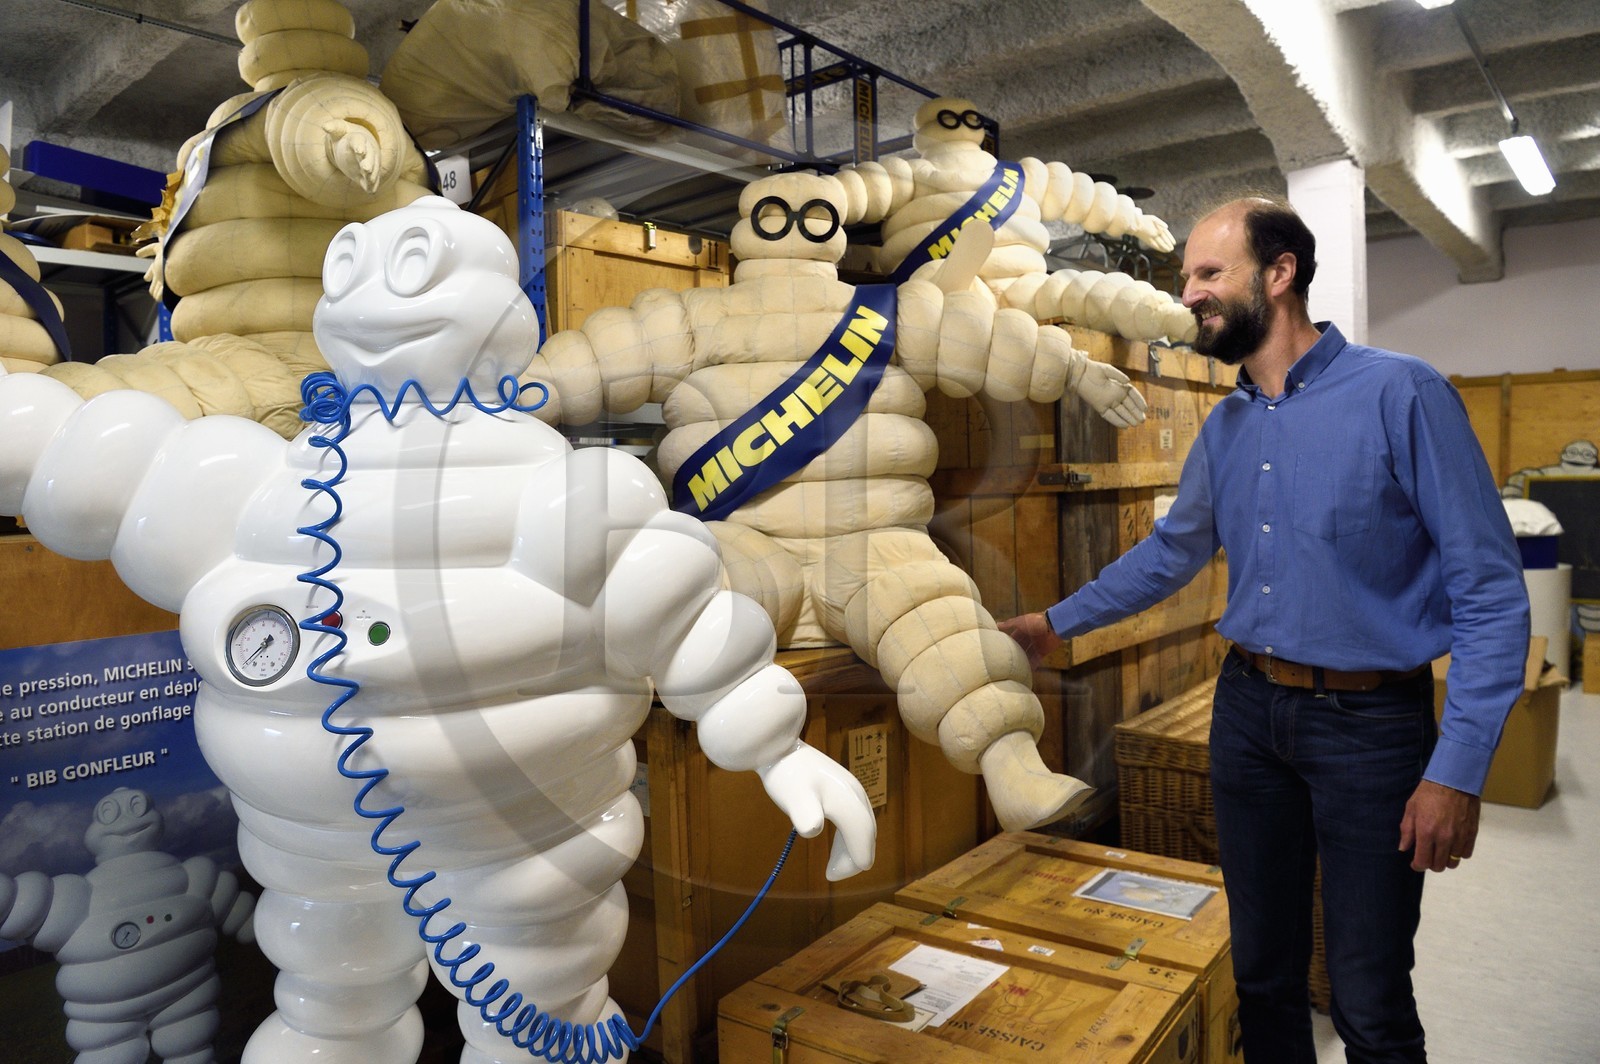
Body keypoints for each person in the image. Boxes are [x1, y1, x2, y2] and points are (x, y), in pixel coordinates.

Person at [1000, 197, 1530, 1064]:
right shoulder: (1227, 424)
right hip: (1248, 715)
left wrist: (1457, 771)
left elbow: (1490, 592)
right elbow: (1170, 555)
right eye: (1187, 278)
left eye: (1210, 274)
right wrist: (1055, 626)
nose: (1190, 295)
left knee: (1368, 998)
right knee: (1262, 975)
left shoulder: (1403, 394)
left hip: (1371, 729)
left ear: (1280, 274)